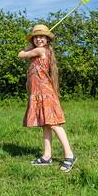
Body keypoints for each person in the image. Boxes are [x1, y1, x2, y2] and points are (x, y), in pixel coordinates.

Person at [18, 24, 76, 172]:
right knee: (45, 124)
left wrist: (31, 44)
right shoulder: (41, 49)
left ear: (47, 39)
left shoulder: (39, 50)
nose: (38, 39)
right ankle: (46, 156)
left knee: (54, 123)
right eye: (35, 37)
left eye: (42, 36)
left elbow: (21, 54)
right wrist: (33, 42)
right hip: (39, 93)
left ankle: (69, 155)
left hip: (45, 93)